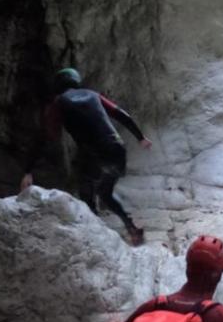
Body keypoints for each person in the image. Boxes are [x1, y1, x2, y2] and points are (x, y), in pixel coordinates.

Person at [22, 67, 152, 245]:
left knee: (85, 189)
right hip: (117, 150)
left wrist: (28, 170)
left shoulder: (58, 103)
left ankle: (96, 234)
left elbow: (45, 137)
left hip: (95, 155)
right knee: (105, 193)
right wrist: (140, 137)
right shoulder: (93, 95)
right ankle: (131, 226)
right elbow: (121, 115)